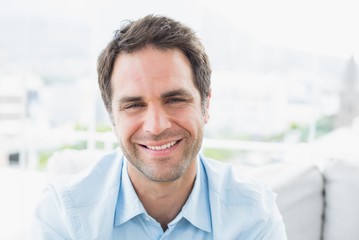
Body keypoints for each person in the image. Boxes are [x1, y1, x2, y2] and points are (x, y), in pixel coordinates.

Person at [29, 15, 287, 239]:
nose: (156, 126)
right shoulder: (63, 213)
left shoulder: (254, 215)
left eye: (175, 100)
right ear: (111, 116)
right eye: (134, 105)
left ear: (205, 105)